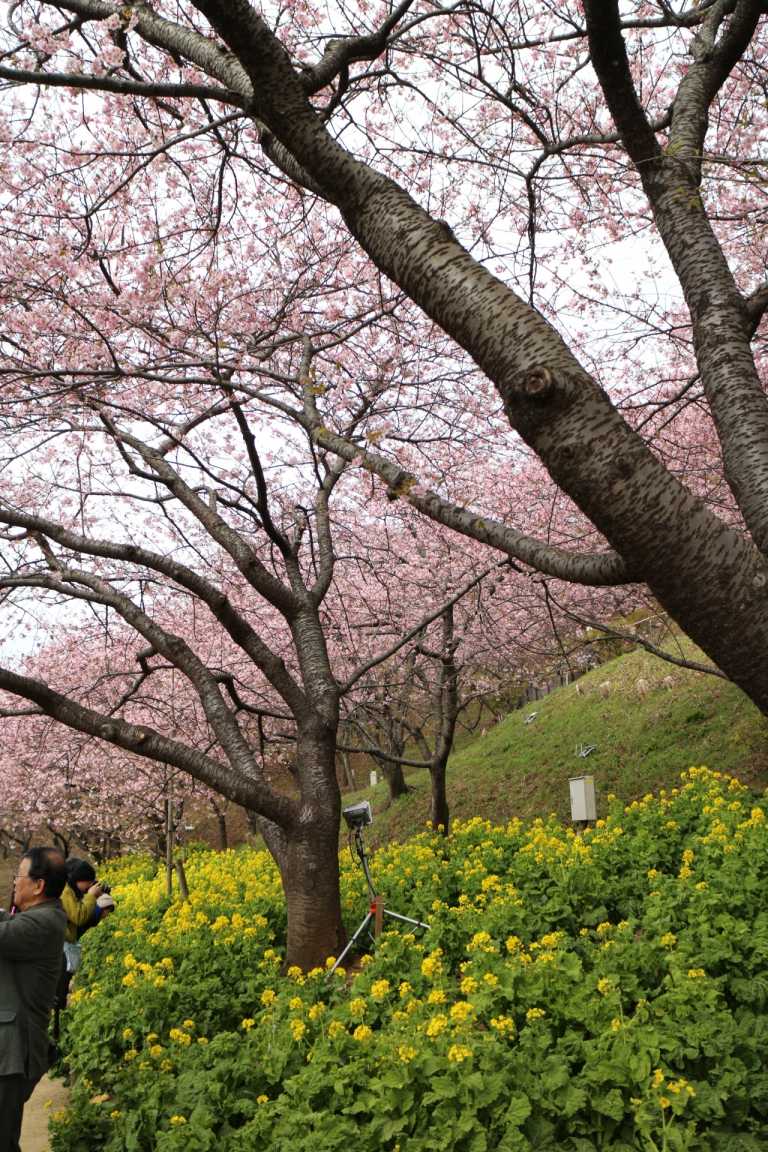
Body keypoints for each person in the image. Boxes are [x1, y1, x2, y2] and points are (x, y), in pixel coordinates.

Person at [0, 847, 67, 1152]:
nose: (14, 882)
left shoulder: (41, 924)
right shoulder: (42, 917)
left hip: (13, 1055)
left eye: (19, 876)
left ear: (38, 885)